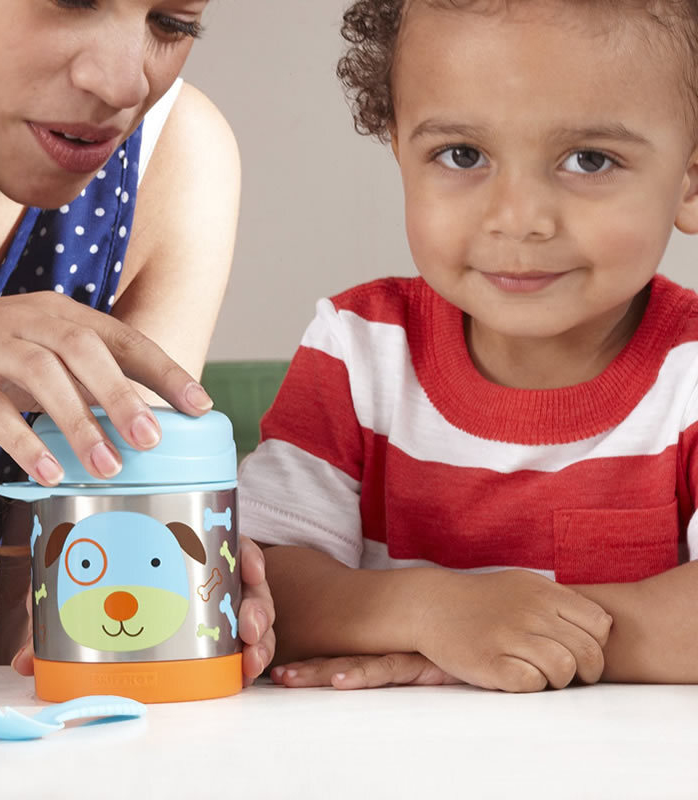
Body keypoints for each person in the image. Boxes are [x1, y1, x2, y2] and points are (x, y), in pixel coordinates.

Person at [238, 0, 698, 693]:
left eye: (590, 159)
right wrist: (432, 612)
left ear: (691, 177)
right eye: (462, 155)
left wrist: (497, 638)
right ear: (399, 148)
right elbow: (253, 588)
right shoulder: (360, 351)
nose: (518, 218)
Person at [0, 0, 274, 684]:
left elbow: (25, 647)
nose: (124, 84)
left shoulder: (171, 157)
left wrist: (113, 610)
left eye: (173, 24)